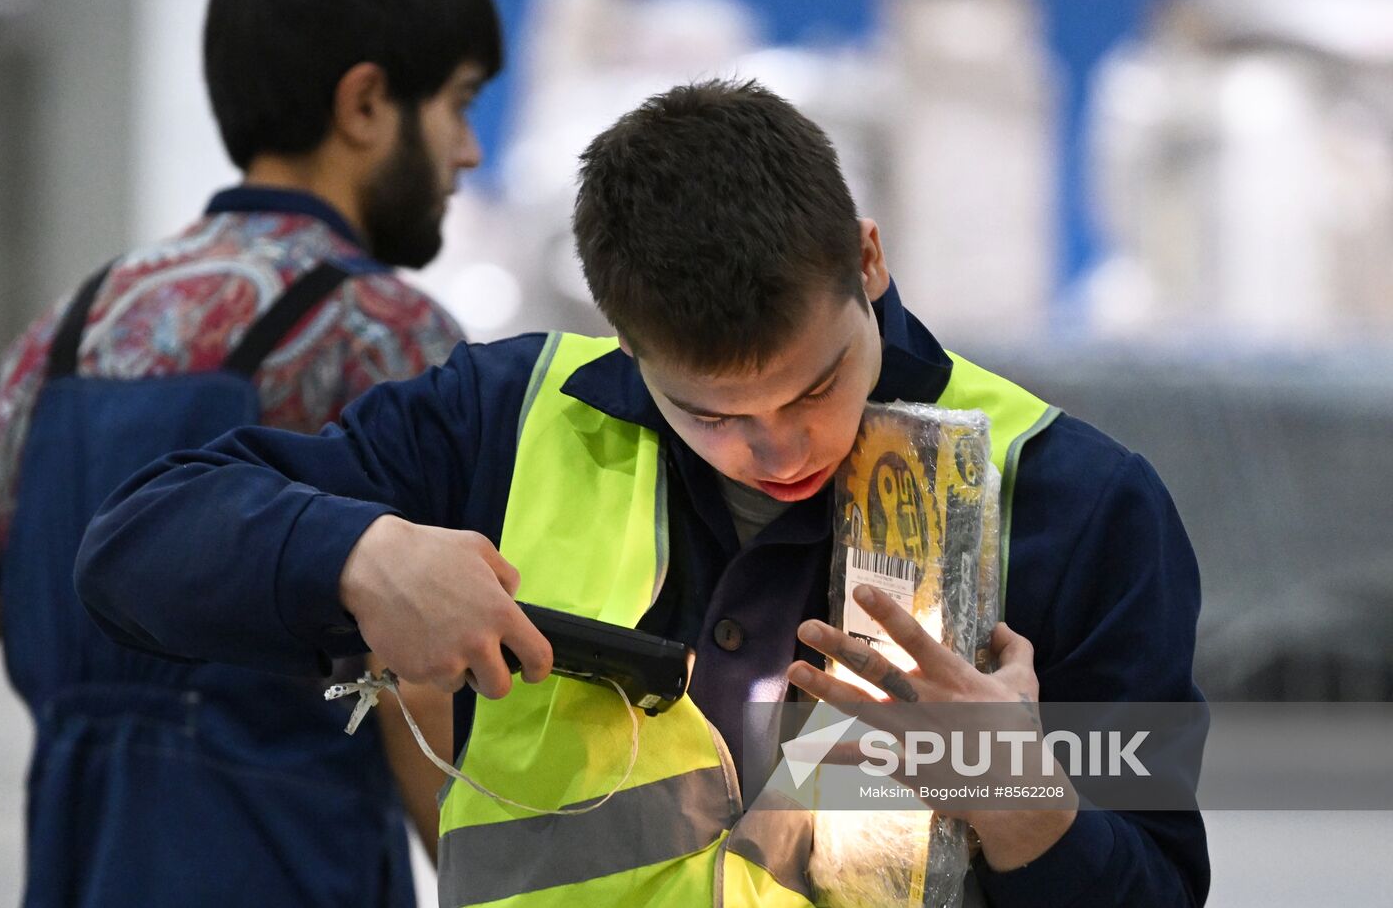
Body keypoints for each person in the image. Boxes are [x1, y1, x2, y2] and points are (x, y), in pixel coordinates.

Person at [77, 80, 1210, 907]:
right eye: (710, 414)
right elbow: (134, 546)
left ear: (866, 258)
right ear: (625, 335)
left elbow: (1154, 884)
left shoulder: (1076, 503)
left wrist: (1024, 802)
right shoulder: (502, 420)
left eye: (814, 385)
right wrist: (355, 555)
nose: (773, 450)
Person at [0, 0, 503, 904]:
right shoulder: (388, 336)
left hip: (72, 868)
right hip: (294, 869)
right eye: (459, 106)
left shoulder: (57, 336)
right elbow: (426, 689)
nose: (468, 152)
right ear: (365, 106)